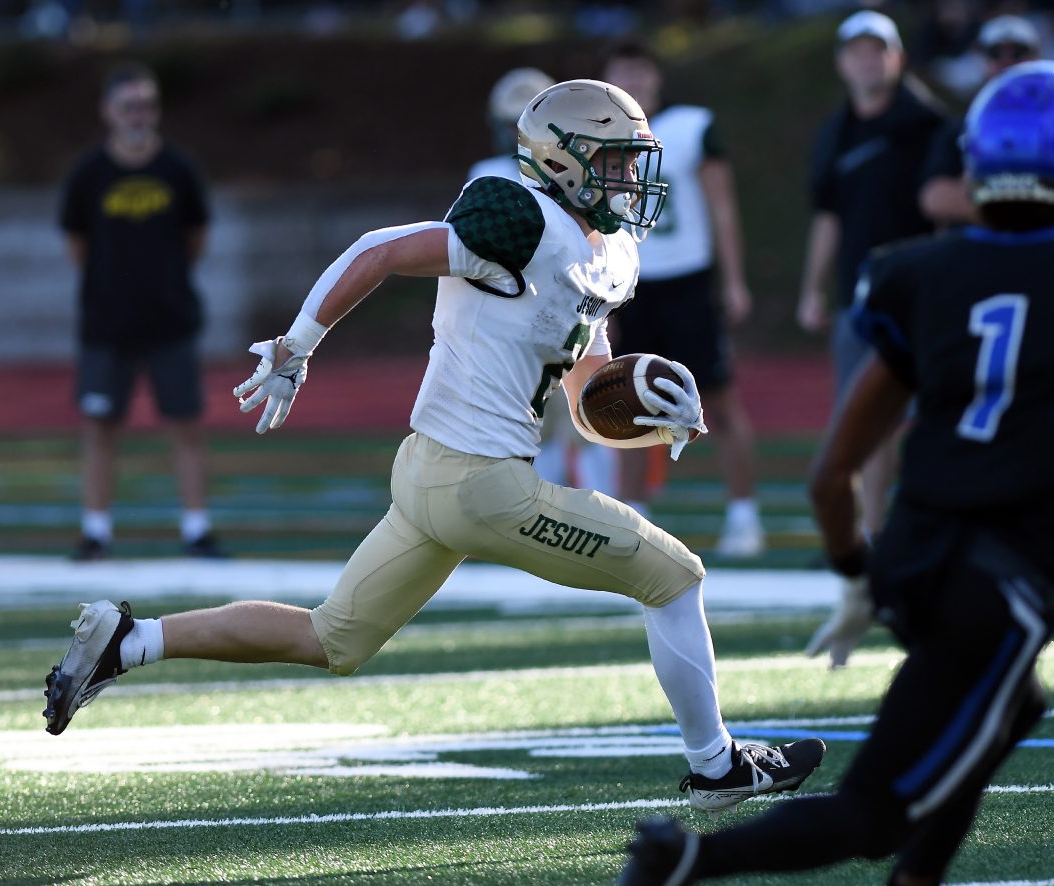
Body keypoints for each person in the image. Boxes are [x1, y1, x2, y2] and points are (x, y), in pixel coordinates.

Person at [42, 79, 826, 816]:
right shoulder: (519, 217)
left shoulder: (607, 252)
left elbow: (582, 395)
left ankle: (129, 643)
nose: (630, 179)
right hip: (480, 486)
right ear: (562, 159)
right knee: (675, 576)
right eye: (616, 161)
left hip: (432, 475)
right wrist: (299, 342)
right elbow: (380, 249)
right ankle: (717, 766)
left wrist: (645, 407)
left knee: (332, 639)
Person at [619, 60, 1054, 885]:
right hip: (1002, 587)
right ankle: (683, 860)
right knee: (875, 811)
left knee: (1015, 706)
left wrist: (859, 575)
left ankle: (916, 880)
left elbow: (831, 475)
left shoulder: (919, 273)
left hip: (915, 562)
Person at [601, 40, 763, 558]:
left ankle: (744, 514)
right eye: (624, 73)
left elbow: (724, 209)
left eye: (641, 72)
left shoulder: (692, 127)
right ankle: (634, 516)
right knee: (623, 400)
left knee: (716, 398)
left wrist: (733, 280)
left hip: (690, 281)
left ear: (656, 78)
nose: (635, 81)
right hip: (628, 285)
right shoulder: (596, 134)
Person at [59, 61, 226, 561]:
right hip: (106, 325)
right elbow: (77, 243)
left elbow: (196, 238)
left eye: (147, 104)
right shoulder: (88, 173)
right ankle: (96, 531)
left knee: (187, 425)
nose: (139, 114)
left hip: (170, 320)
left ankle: (197, 529)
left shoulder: (178, 169)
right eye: (129, 105)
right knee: (99, 429)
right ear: (107, 111)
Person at [796, 11, 947, 542]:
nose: (866, 60)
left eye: (876, 49)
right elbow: (829, 216)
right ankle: (866, 531)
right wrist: (812, 288)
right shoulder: (837, 131)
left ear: (897, 57)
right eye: (856, 51)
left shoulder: (928, 125)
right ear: (841, 62)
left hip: (925, 293)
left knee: (933, 417)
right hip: (860, 297)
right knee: (861, 417)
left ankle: (913, 526)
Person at [467, 67, 619, 496]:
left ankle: (602, 511)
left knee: (582, 418)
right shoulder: (492, 175)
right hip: (524, 317)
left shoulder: (560, 180)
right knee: (546, 428)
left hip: (558, 313)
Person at [919, 14, 1042, 228]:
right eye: (995, 53)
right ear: (980, 58)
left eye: (1018, 52)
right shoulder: (960, 127)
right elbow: (935, 199)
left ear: (1036, 57)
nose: (1007, 62)